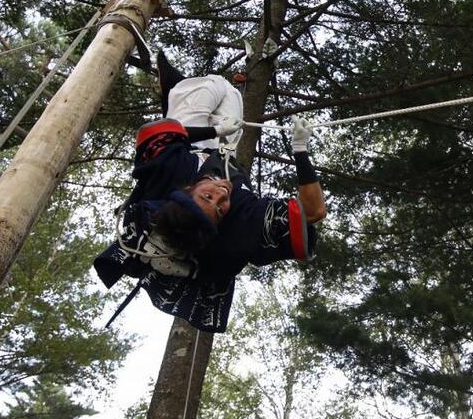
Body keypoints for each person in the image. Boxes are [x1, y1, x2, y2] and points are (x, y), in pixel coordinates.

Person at [93, 51, 326, 332]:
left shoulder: (171, 172)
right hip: (223, 155)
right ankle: (184, 95)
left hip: (190, 146)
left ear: (187, 189)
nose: (221, 193)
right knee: (232, 95)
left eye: (207, 196)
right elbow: (314, 212)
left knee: (211, 85)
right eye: (219, 207)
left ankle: (175, 90)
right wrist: (300, 151)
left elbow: (153, 132)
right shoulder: (240, 218)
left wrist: (212, 130)